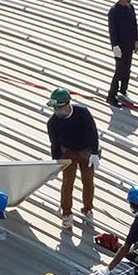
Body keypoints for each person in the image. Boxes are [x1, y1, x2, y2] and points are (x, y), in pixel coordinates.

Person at [46, 88, 101, 217]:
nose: (56, 111)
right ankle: (66, 213)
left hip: (86, 152)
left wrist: (94, 152)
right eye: (54, 108)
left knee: (88, 181)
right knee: (67, 183)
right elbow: (55, 145)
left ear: (67, 105)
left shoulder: (82, 113)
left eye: (58, 108)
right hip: (68, 153)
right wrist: (55, 163)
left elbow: (93, 132)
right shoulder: (52, 123)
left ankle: (87, 208)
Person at [105, 0, 138, 107]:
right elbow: (112, 30)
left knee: (127, 69)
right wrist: (115, 46)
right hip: (120, 47)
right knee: (119, 70)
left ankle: (123, 91)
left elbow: (134, 25)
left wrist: (136, 40)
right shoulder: (114, 11)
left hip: (129, 45)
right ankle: (111, 95)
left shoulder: (131, 8)